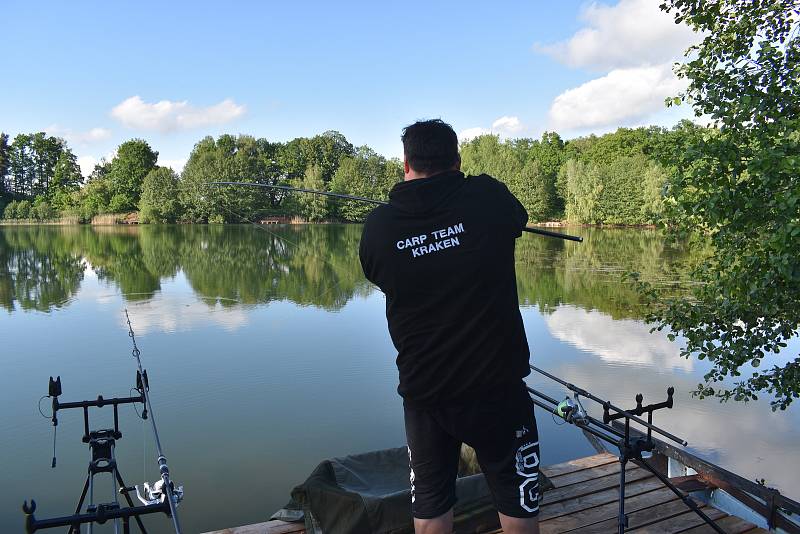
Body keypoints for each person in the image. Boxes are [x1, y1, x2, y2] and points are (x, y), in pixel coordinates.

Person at [359, 119, 540, 534]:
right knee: (517, 510)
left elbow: (377, 274)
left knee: (430, 509)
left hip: (427, 395)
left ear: (405, 163)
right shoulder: (488, 197)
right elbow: (516, 218)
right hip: (498, 390)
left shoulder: (381, 227)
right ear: (457, 160)